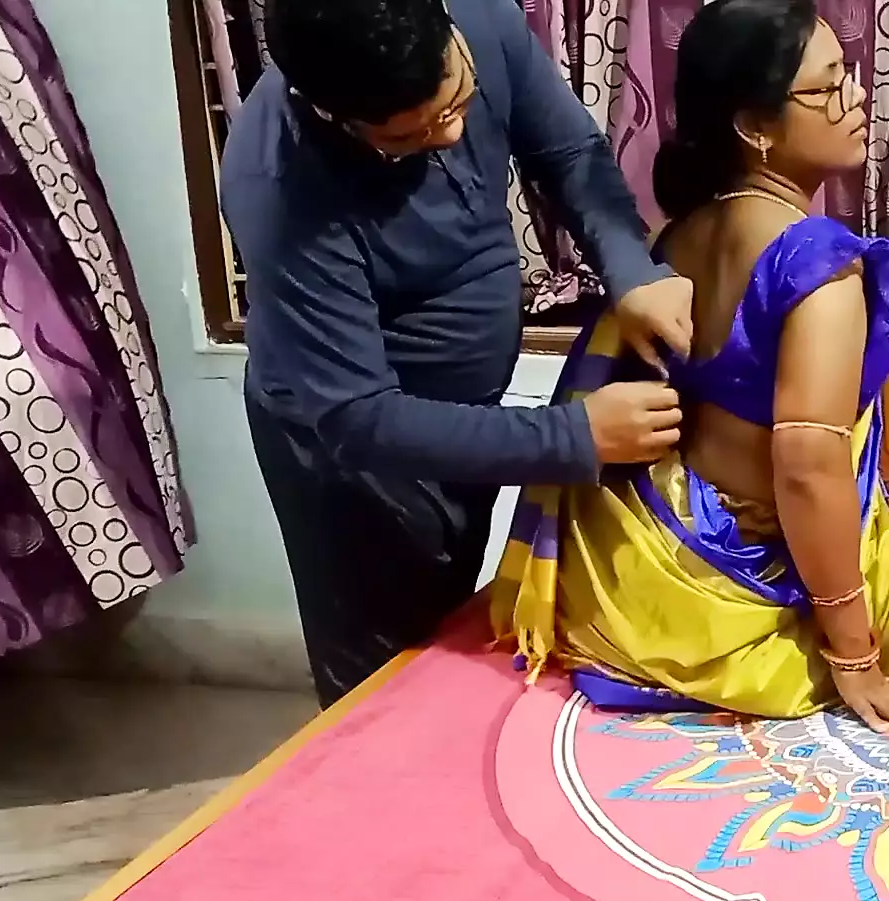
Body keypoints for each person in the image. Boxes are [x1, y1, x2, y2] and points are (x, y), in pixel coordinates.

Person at [493, 0, 889, 730]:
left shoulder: (675, 239)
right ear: (756, 127)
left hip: (654, 562)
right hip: (749, 571)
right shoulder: (818, 263)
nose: (857, 97)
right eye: (828, 86)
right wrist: (855, 656)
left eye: (850, 74)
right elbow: (806, 469)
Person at [222, 0, 695, 705]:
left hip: (459, 425)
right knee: (383, 686)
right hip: (358, 469)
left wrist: (632, 270)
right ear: (330, 114)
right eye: (406, 137)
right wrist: (576, 436)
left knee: (448, 637)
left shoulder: (477, 18)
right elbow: (360, 417)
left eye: (459, 101)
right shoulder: (279, 187)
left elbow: (568, 152)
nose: (449, 137)